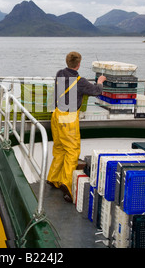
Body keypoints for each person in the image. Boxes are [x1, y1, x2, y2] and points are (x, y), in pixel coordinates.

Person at [47, 51, 106, 202]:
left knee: (59, 148)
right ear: (78, 64)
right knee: (72, 151)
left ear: (67, 62)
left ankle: (53, 178)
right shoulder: (80, 81)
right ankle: (66, 184)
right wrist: (100, 80)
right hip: (68, 118)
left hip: (56, 115)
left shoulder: (59, 73)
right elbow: (97, 91)